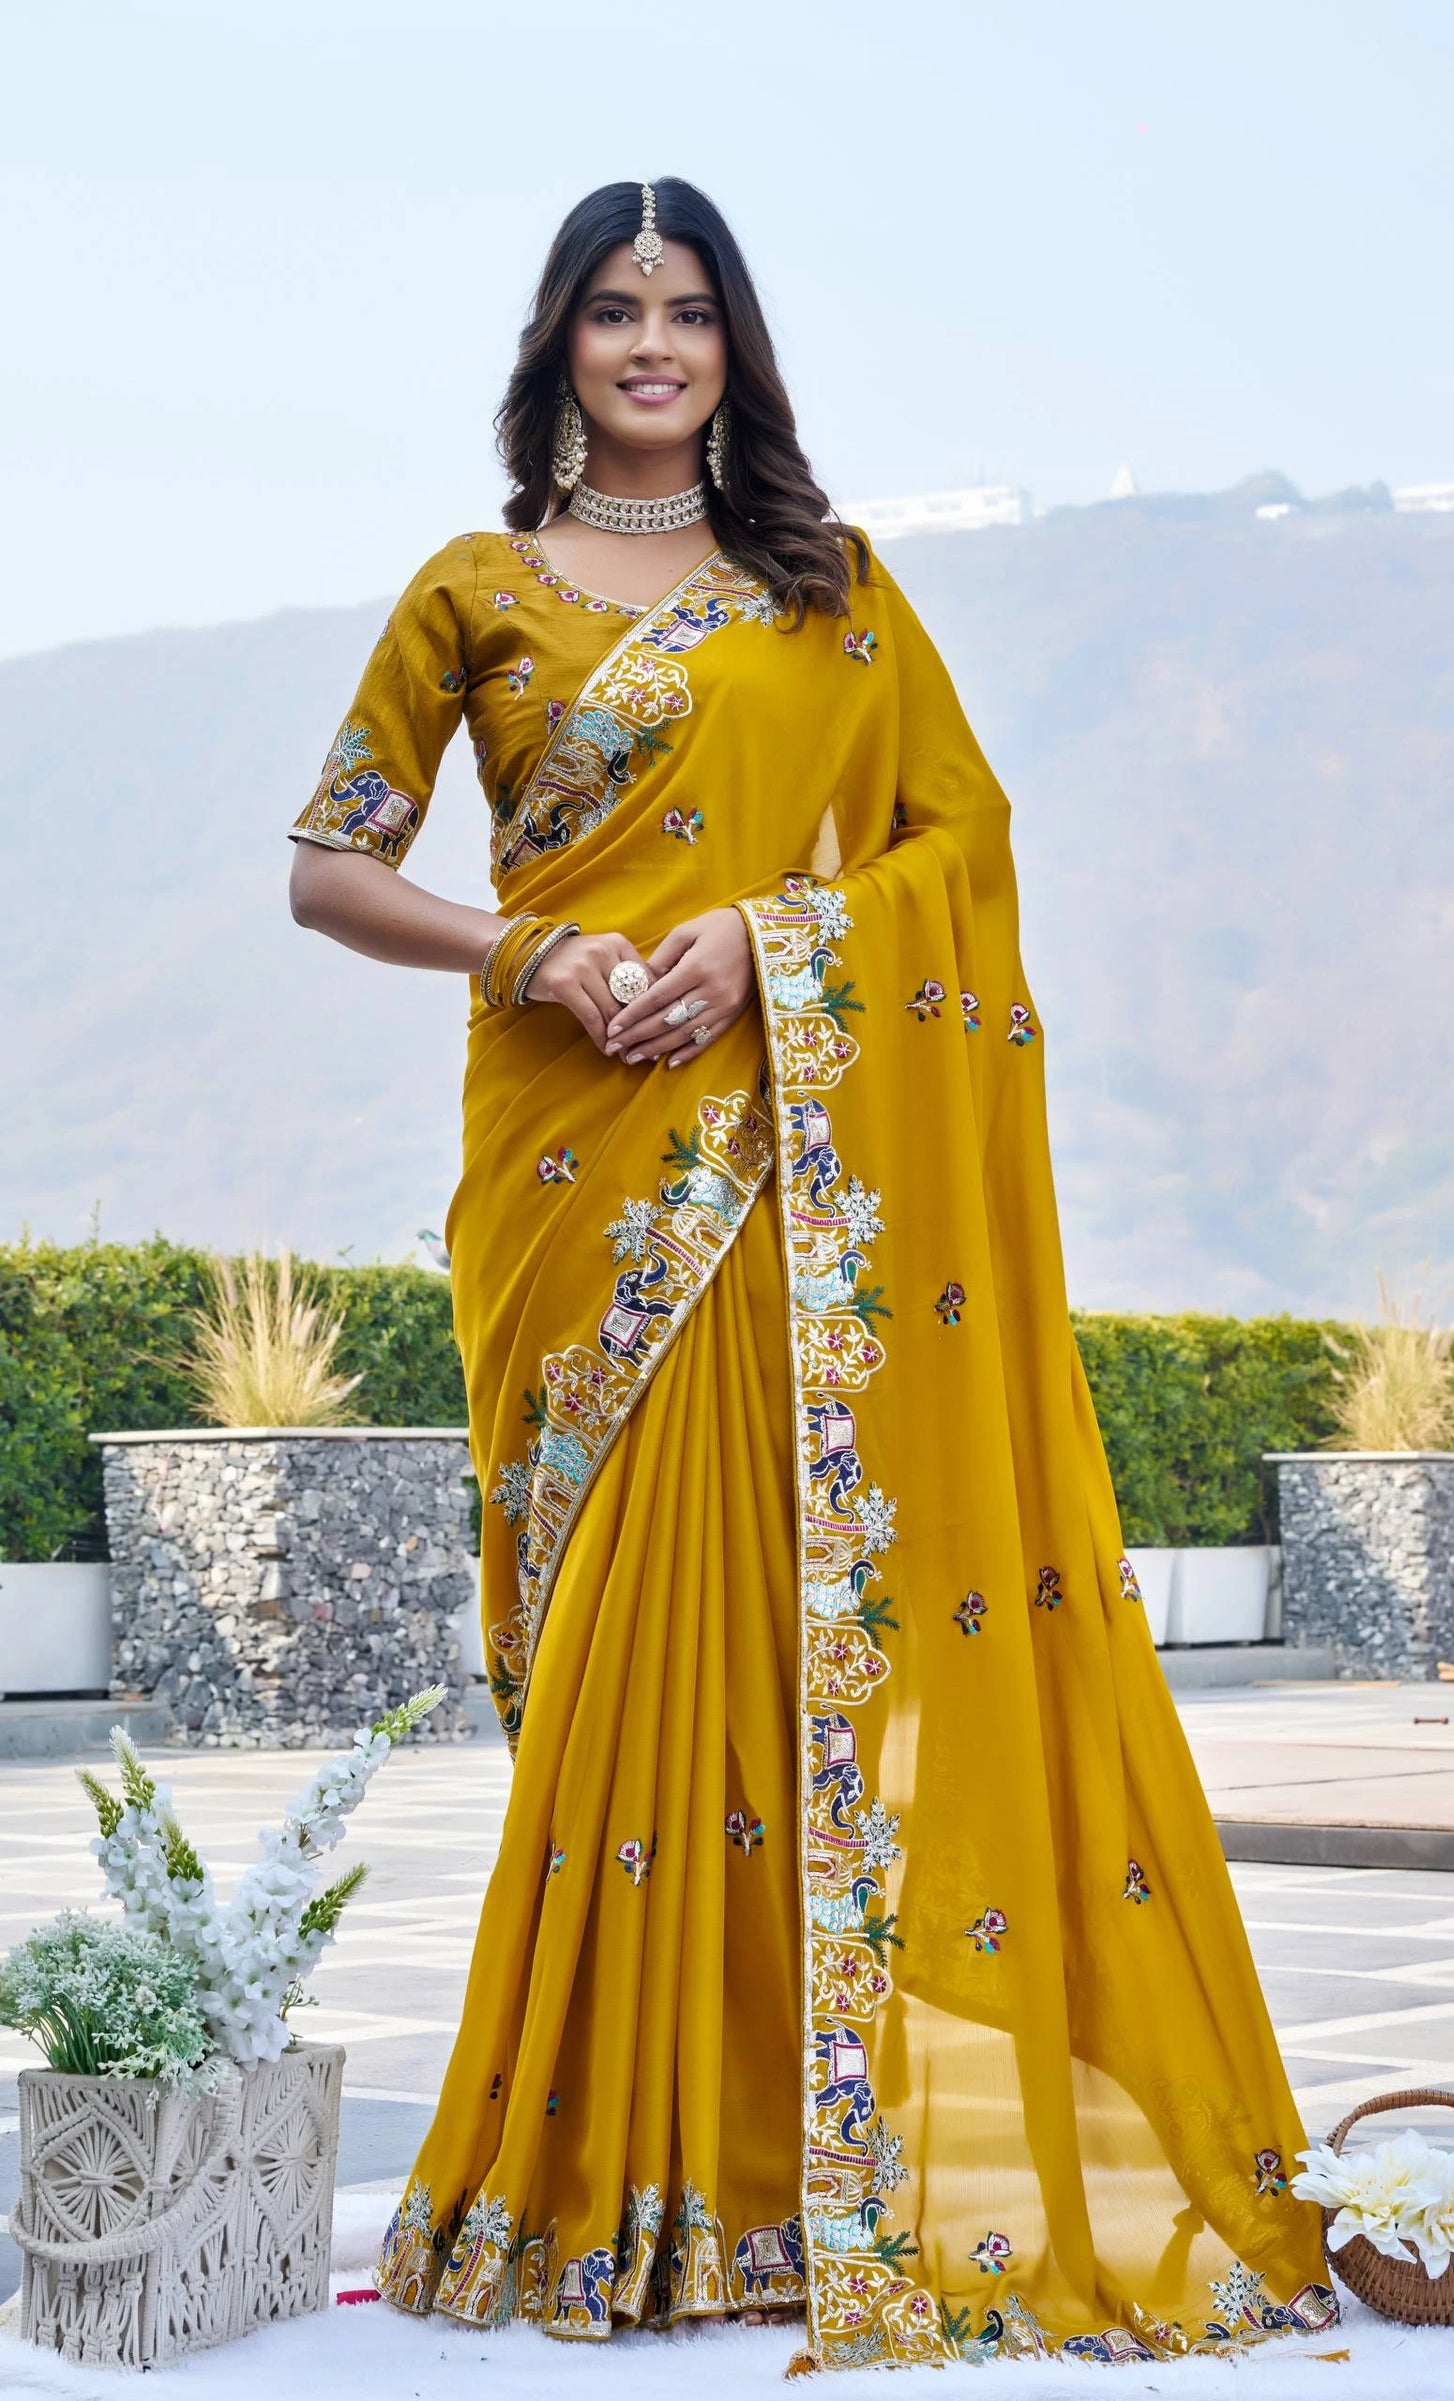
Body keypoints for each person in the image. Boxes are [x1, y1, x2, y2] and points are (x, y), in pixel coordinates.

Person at [288, 177, 1334, 2370]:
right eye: (610, 312)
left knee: (788, 1641)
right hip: (568, 1169)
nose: (650, 345)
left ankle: (782, 2167)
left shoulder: (828, 591)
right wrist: (543, 946)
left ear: (738, 349)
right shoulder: (471, 589)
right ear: (557, 346)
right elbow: (328, 868)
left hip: (781, 1172)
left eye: (686, 312)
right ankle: (597, 2176)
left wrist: (769, 951)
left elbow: (959, 846)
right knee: (602, 1659)